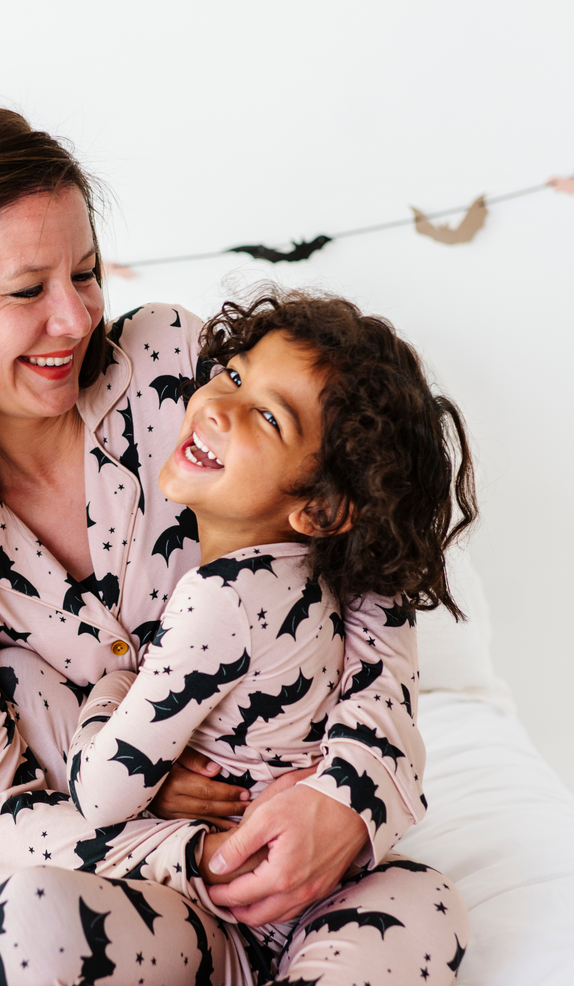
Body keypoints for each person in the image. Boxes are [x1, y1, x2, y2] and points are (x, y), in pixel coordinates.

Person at [0, 109, 470, 986]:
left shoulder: (177, 372)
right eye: (28, 291)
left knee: (428, 909)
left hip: (312, 864)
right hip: (143, 898)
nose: (75, 318)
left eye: (85, 272)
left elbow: (369, 560)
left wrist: (348, 794)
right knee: (34, 920)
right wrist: (183, 842)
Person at [64, 289, 475, 982]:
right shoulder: (308, 573)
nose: (217, 407)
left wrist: (111, 691)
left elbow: (103, 794)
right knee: (428, 899)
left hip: (224, 893)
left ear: (321, 509)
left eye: (267, 417)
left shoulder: (220, 596)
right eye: (233, 375)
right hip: (318, 892)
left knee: (48, 913)